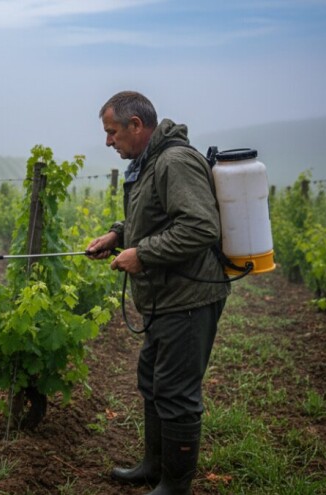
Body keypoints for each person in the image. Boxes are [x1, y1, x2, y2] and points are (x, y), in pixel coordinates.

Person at [86, 91, 230, 495]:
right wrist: (117, 235)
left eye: (112, 132)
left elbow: (201, 227)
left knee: (177, 393)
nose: (108, 141)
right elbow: (154, 217)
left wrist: (142, 255)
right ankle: (153, 466)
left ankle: (175, 485)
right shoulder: (148, 162)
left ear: (136, 125)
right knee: (152, 381)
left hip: (188, 297)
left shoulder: (174, 161)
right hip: (165, 298)